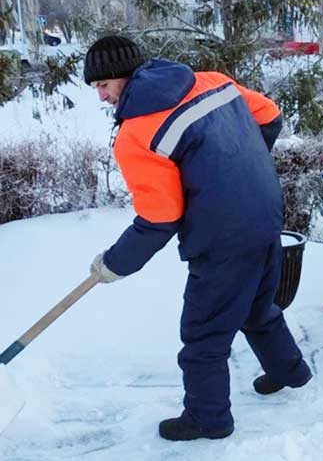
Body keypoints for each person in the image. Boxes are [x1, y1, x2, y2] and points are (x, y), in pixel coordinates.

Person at [84, 36, 311, 441]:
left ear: (125, 76)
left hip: (222, 238)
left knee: (203, 335)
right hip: (264, 215)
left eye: (103, 85)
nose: (101, 97)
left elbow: (160, 217)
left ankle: (209, 419)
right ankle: (289, 370)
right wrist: (237, 169)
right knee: (256, 307)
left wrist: (115, 263)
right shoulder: (210, 81)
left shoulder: (136, 134)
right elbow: (270, 115)